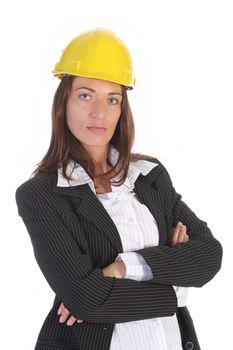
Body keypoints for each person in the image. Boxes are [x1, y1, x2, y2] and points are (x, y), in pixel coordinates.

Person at [15, 27, 222, 350]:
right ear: (63, 102)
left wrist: (121, 268)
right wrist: (175, 286)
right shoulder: (42, 194)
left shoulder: (149, 175)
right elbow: (86, 299)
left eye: (112, 99)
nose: (99, 113)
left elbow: (209, 255)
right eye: (85, 95)